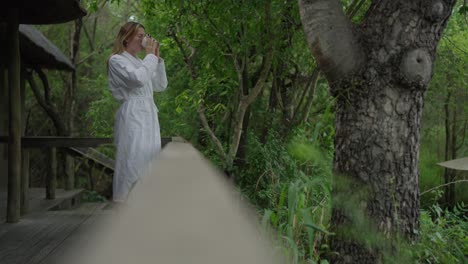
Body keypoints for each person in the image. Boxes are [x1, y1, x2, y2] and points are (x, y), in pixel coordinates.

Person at [107, 21, 168, 202]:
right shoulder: (116, 60)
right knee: (132, 162)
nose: (144, 39)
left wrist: (156, 57)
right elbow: (138, 79)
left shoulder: (142, 62)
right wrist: (150, 57)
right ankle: (124, 207)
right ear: (126, 38)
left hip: (149, 115)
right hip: (133, 114)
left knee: (150, 161)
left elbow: (160, 85)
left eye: (145, 36)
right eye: (140, 36)